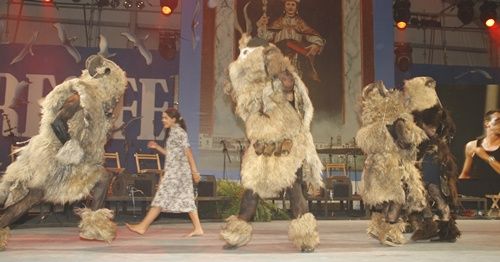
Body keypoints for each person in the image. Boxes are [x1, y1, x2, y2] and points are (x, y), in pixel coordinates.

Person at [126, 108, 204, 237]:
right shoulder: (173, 132)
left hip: (178, 173)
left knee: (161, 198)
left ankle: (143, 226)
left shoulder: (179, 132)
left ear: (173, 119)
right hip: (175, 172)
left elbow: (188, 152)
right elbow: (171, 154)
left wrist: (195, 172)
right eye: (162, 118)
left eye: (165, 118)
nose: (163, 120)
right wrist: (157, 147)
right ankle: (198, 228)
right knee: (185, 199)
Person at [256, 0, 325, 81]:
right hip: (280, 58)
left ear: (296, 7)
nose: (290, 7)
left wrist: (317, 43)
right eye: (288, 4)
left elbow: (312, 35)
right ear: (284, 6)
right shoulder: (278, 23)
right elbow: (265, 37)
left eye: (293, 4)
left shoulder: (300, 23)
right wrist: (261, 26)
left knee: (295, 82)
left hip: (295, 59)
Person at [459, 110, 500, 196]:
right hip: (479, 196)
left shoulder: (482, 152)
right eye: (498, 121)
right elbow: (465, 174)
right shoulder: (472, 145)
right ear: (487, 123)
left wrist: (487, 157)